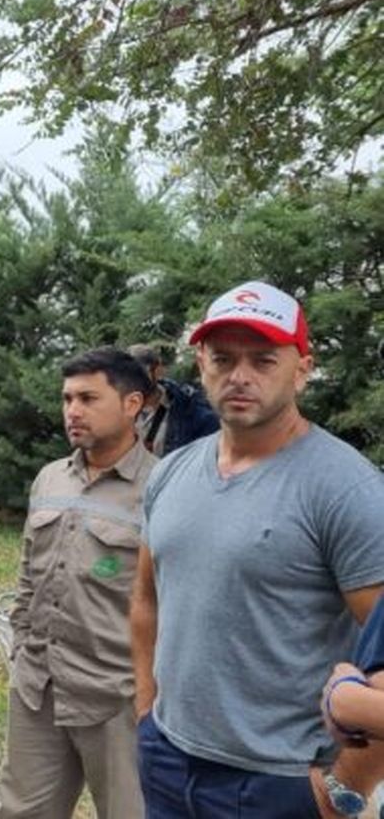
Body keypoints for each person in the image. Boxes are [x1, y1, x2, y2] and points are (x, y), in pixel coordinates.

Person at [132, 281, 384, 817]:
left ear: (302, 368)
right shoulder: (173, 471)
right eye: (222, 358)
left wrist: (343, 789)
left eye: (263, 360)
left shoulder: (346, 490)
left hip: (280, 782)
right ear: (201, 364)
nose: (239, 376)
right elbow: (147, 601)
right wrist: (146, 715)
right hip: (168, 759)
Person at [0, 348, 153, 819]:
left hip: (118, 696)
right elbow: (28, 576)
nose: (73, 411)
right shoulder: (50, 479)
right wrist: (23, 645)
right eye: (67, 398)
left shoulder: (162, 486)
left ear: (132, 404)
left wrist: (150, 689)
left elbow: (177, 599)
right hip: (38, 688)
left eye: (88, 398)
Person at [127, 343, 218, 456]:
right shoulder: (118, 407)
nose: (131, 381)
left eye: (138, 374)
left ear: (157, 371)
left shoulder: (191, 412)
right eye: (126, 374)